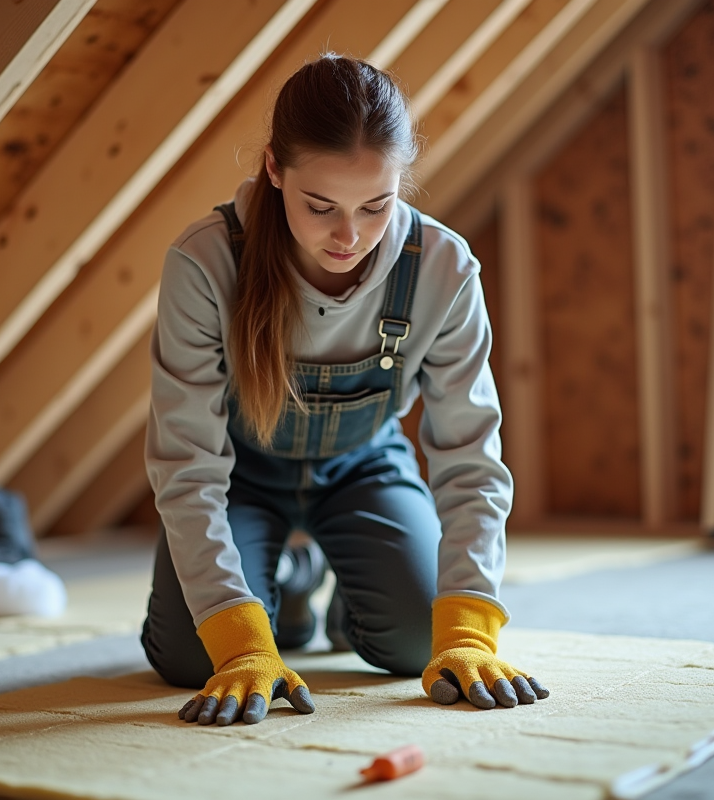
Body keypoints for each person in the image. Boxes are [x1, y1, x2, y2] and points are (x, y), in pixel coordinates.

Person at [140, 53, 548, 727]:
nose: (349, 236)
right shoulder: (205, 261)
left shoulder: (443, 267)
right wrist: (242, 644)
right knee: (192, 657)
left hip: (363, 467)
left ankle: (345, 594)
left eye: (376, 205)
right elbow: (187, 465)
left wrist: (469, 630)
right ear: (275, 169)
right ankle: (290, 581)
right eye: (320, 206)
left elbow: (471, 458)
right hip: (239, 476)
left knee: (417, 643)